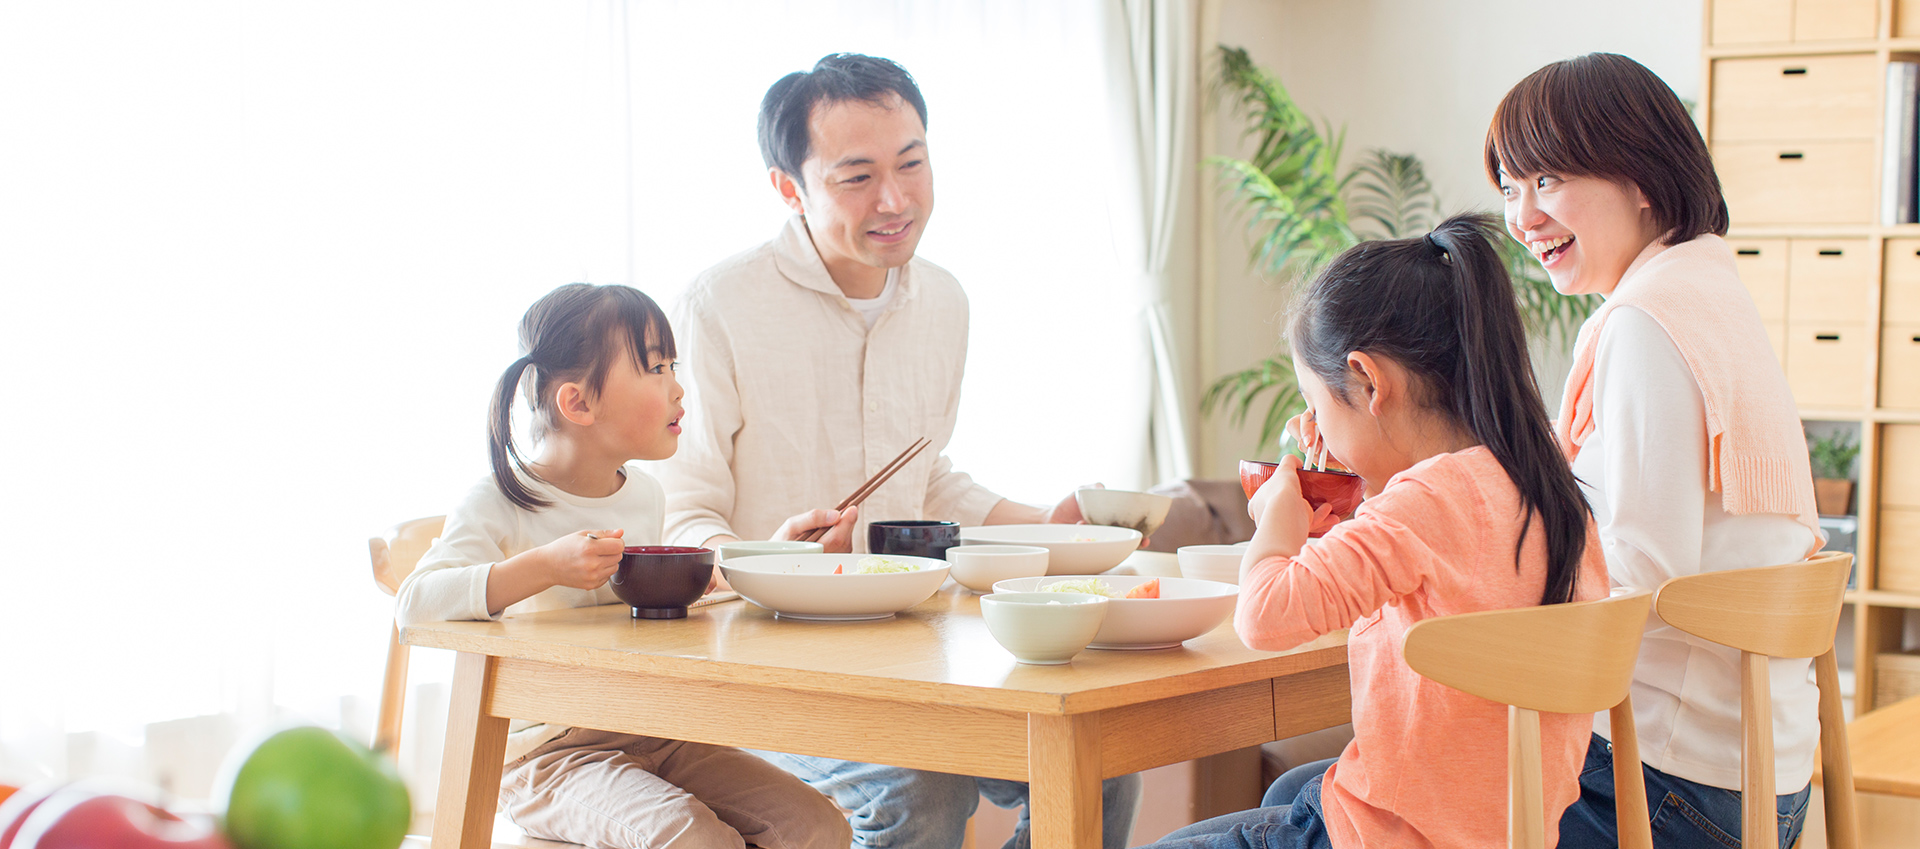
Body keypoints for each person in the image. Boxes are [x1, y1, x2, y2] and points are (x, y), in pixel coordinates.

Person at [651, 53, 1140, 849]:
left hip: (915, 648)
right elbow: (677, 508)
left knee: (1104, 765)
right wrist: (760, 560)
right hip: (763, 665)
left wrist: (1049, 526)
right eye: (856, 177)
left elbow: (927, 479)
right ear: (788, 188)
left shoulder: (942, 298)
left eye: (912, 164)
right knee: (920, 792)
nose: (895, 199)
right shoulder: (719, 307)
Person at [1142, 214, 1608, 849]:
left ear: (1367, 381)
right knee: (1289, 793)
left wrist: (1276, 527)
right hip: (1509, 829)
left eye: (1317, 402)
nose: (1314, 427)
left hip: (1397, 833)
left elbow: (1263, 618)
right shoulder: (1544, 486)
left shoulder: (1422, 505)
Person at [1487, 53, 1825, 849]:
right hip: (1756, 780)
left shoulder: (1647, 320)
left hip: (1671, 787)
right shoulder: (1706, 291)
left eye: (1546, 180)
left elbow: (1640, 568)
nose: (1522, 216)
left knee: (1344, 794)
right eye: (1509, 186)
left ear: (1638, 177)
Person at [394, 283, 851, 849]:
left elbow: (671, 601)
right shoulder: (501, 500)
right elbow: (412, 604)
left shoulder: (644, 496)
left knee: (817, 826)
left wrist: (780, 552)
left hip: (654, 731)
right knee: (692, 838)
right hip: (546, 758)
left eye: (672, 365)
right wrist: (543, 567)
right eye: (656, 368)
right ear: (578, 403)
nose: (679, 387)